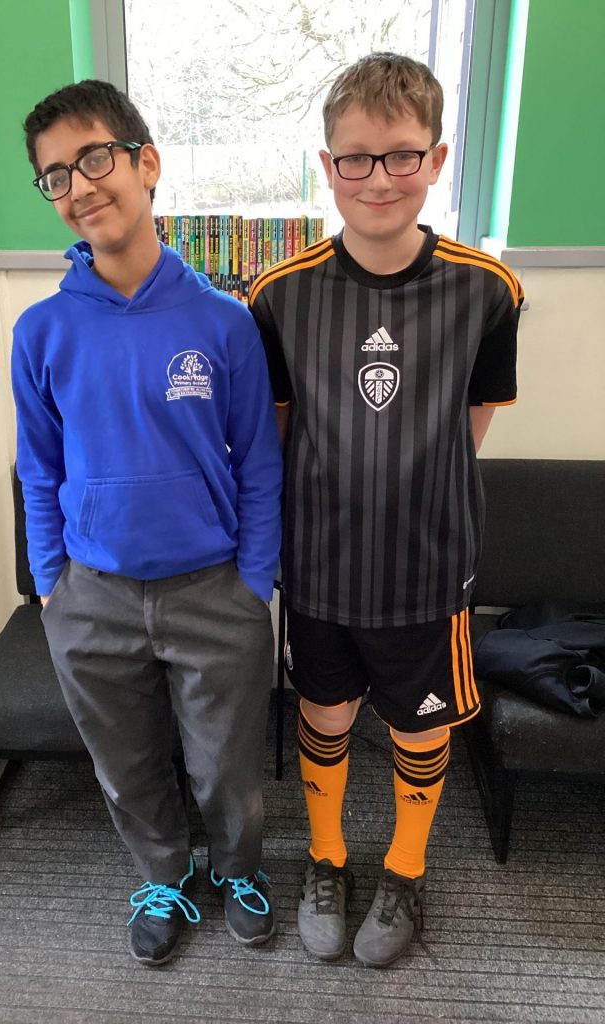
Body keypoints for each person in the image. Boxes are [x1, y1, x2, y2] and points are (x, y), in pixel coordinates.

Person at [249, 52, 523, 967]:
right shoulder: (278, 295)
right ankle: (326, 858)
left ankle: (405, 870)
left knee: (419, 725)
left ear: (436, 160)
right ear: (327, 167)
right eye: (356, 158)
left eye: (402, 155)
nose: (379, 178)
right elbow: (282, 433)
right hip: (320, 566)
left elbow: (469, 424)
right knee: (324, 714)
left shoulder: (488, 290)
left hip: (426, 570)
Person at [12, 79, 282, 967]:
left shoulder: (224, 323)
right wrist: (51, 582)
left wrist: (254, 580)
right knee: (125, 766)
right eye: (56, 176)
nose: (80, 186)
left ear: (146, 163)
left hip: (214, 591)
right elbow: (40, 468)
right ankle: (163, 875)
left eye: (95, 159)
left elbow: (260, 463)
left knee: (225, 765)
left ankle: (237, 867)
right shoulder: (42, 332)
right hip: (92, 596)